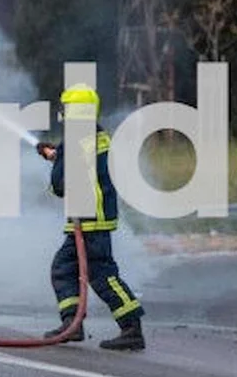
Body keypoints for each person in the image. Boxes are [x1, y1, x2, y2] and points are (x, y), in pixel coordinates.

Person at [36, 84, 145, 351]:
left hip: (87, 220)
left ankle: (131, 327)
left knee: (102, 274)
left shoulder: (73, 142)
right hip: (95, 217)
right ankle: (73, 323)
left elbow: (61, 185)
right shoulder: (96, 136)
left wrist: (58, 158)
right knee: (66, 268)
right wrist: (58, 156)